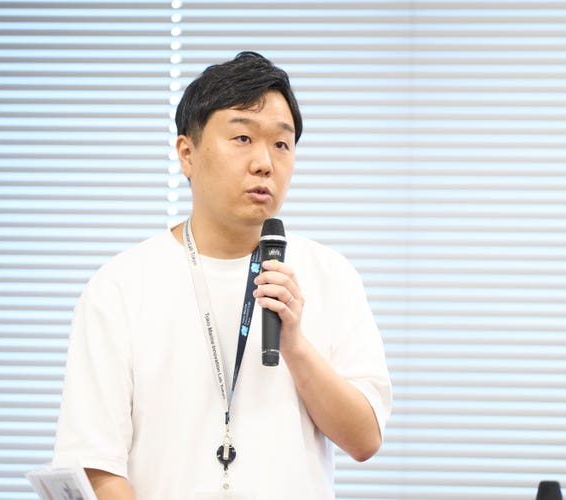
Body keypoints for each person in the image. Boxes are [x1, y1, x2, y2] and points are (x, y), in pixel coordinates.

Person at [52, 51, 392, 500]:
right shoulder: (121, 286)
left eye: (282, 144)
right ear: (187, 154)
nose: (264, 162)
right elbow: (97, 467)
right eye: (242, 138)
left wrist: (294, 343)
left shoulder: (331, 276)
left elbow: (364, 438)